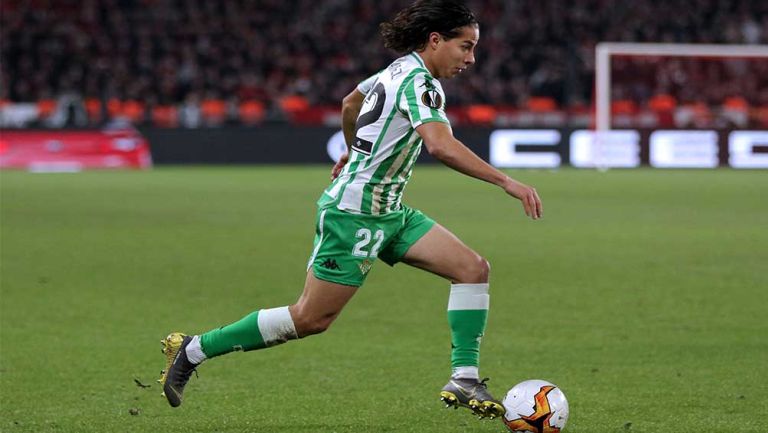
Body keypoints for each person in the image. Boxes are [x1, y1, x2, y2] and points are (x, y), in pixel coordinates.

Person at [158, 0, 542, 420]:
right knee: (309, 318)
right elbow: (439, 145)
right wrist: (506, 181)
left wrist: (353, 149)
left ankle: (464, 378)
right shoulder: (422, 84)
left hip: (390, 211)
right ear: (436, 40)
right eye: (464, 47)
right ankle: (193, 349)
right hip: (354, 214)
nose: (470, 58)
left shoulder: (398, 69)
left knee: (472, 269)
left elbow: (349, 103)